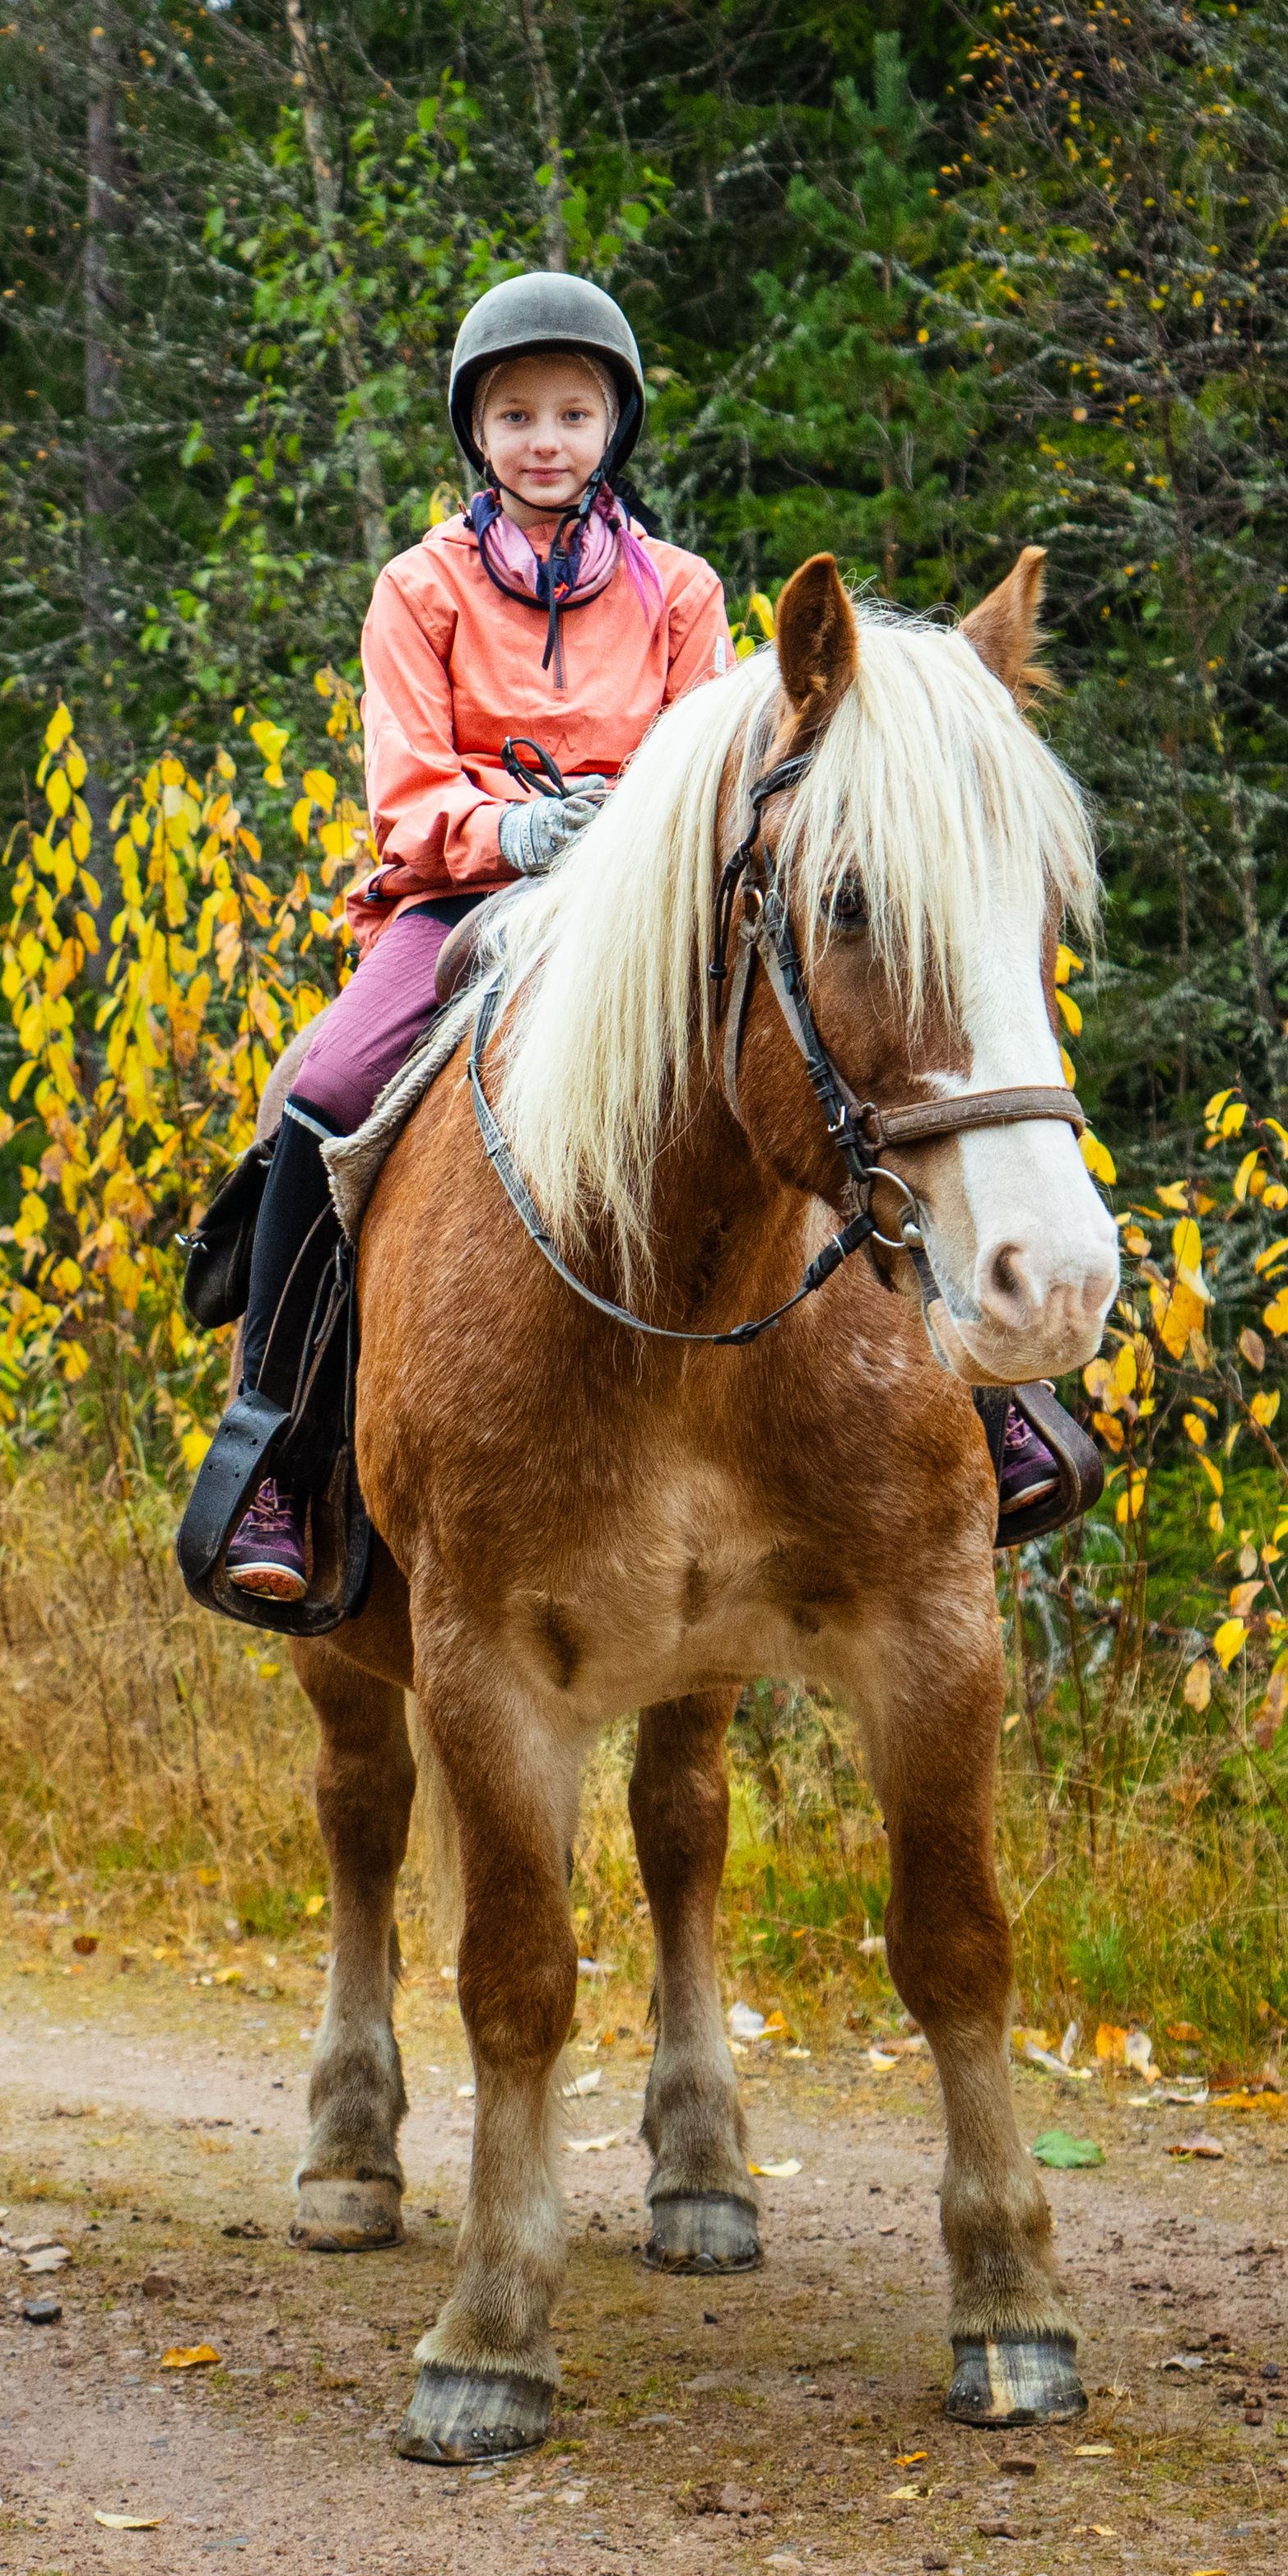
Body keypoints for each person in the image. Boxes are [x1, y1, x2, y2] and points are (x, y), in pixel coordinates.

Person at [199, 271, 1063, 1609]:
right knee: (321, 1098)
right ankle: (274, 1446)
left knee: (835, 1068)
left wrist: (618, 842)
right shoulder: (417, 588)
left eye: (573, 413)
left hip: (641, 917)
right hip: (455, 904)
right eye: (515, 416)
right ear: (475, 435)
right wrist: (512, 833)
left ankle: (989, 1399)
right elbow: (407, 788)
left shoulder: (679, 589)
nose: (545, 440)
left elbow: (711, 763)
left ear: (615, 430)